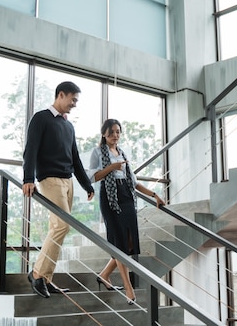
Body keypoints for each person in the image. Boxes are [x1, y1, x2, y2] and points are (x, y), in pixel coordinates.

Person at [22, 81, 95, 298]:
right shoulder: (41, 118)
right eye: (72, 99)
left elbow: (75, 158)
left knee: (59, 228)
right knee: (62, 225)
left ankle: (46, 277)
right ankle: (37, 275)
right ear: (60, 95)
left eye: (76, 101)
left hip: (68, 181)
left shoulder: (68, 126)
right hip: (50, 179)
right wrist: (28, 178)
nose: (74, 104)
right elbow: (31, 150)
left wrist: (86, 184)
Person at [89, 118, 164, 304]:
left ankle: (105, 275)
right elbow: (93, 177)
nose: (116, 135)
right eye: (112, 132)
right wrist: (111, 167)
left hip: (127, 197)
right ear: (104, 133)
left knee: (129, 243)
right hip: (110, 198)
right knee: (119, 244)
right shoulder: (97, 152)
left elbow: (134, 181)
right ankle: (129, 289)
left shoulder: (122, 152)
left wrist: (154, 194)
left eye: (118, 132)